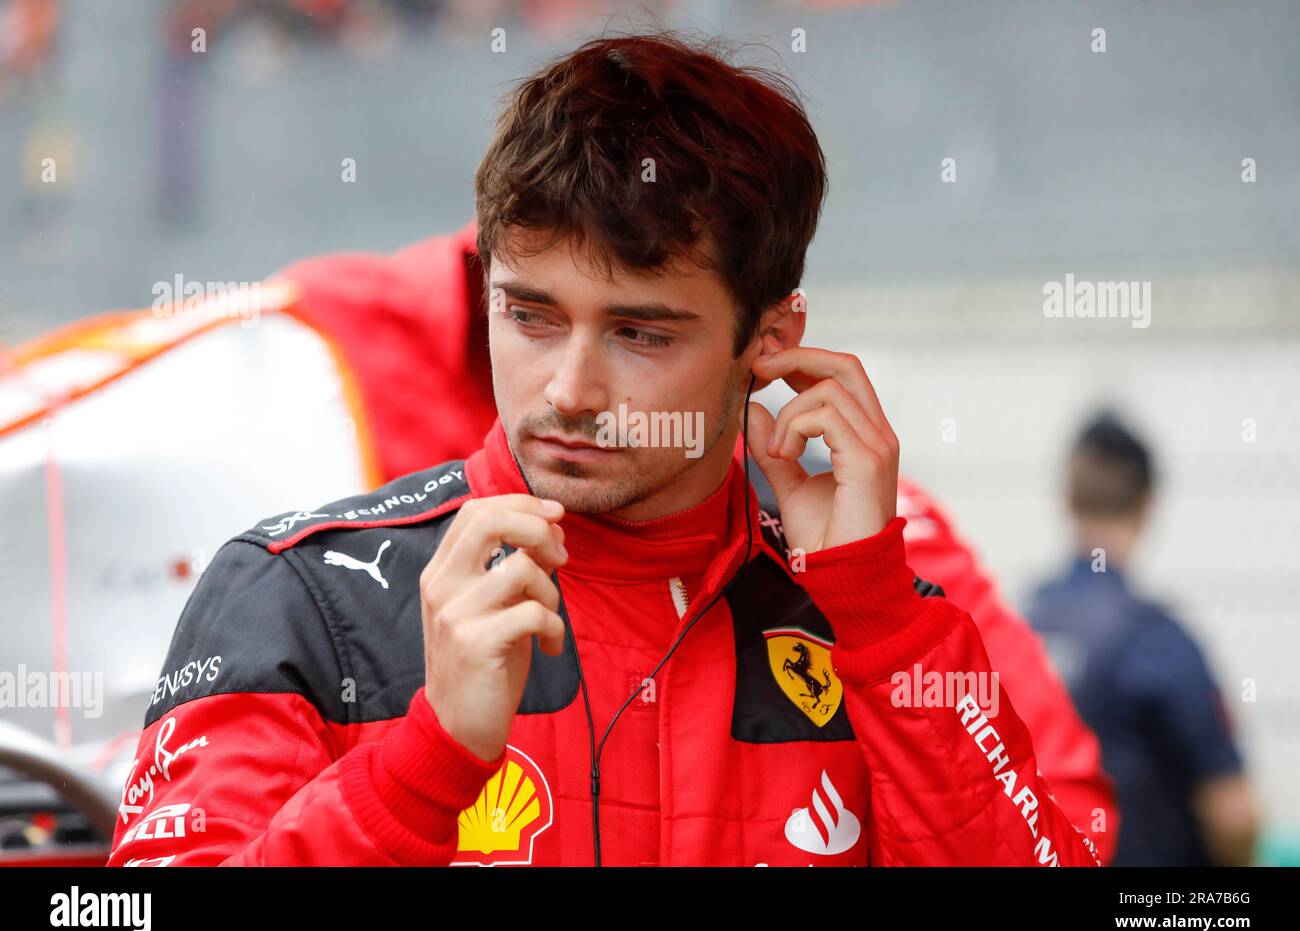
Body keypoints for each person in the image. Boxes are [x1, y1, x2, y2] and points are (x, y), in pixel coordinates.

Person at [107, 30, 1104, 867]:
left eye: (640, 333)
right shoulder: (300, 599)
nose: (570, 390)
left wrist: (879, 614)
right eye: (531, 315)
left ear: (771, 340)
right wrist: (424, 763)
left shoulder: (877, 624)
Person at [1027, 412, 1258, 866]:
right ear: (1148, 503)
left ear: (1068, 499)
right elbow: (1234, 813)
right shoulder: (1158, 641)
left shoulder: (1021, 624)